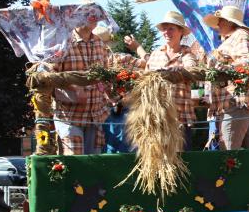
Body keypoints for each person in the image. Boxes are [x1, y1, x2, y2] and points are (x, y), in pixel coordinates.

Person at [125, 11, 199, 150]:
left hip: (180, 118)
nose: (166, 32)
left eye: (171, 28)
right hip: (156, 118)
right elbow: (144, 80)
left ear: (181, 32)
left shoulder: (187, 54)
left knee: (182, 159)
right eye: (164, 29)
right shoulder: (155, 54)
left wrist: (181, 70)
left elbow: (191, 69)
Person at [49, 13, 116, 155]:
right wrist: (74, 87)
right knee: (75, 162)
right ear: (77, 17)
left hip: (95, 117)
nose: (94, 18)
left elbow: (104, 77)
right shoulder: (62, 42)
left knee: (93, 164)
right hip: (69, 116)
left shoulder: (99, 43)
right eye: (89, 14)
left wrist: (111, 95)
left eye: (96, 15)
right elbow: (49, 75)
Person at [204, 6, 249, 150]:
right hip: (233, 101)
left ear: (230, 22)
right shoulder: (231, 39)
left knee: (228, 151)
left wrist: (224, 67)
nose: (218, 24)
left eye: (221, 20)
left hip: (235, 101)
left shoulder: (241, 35)